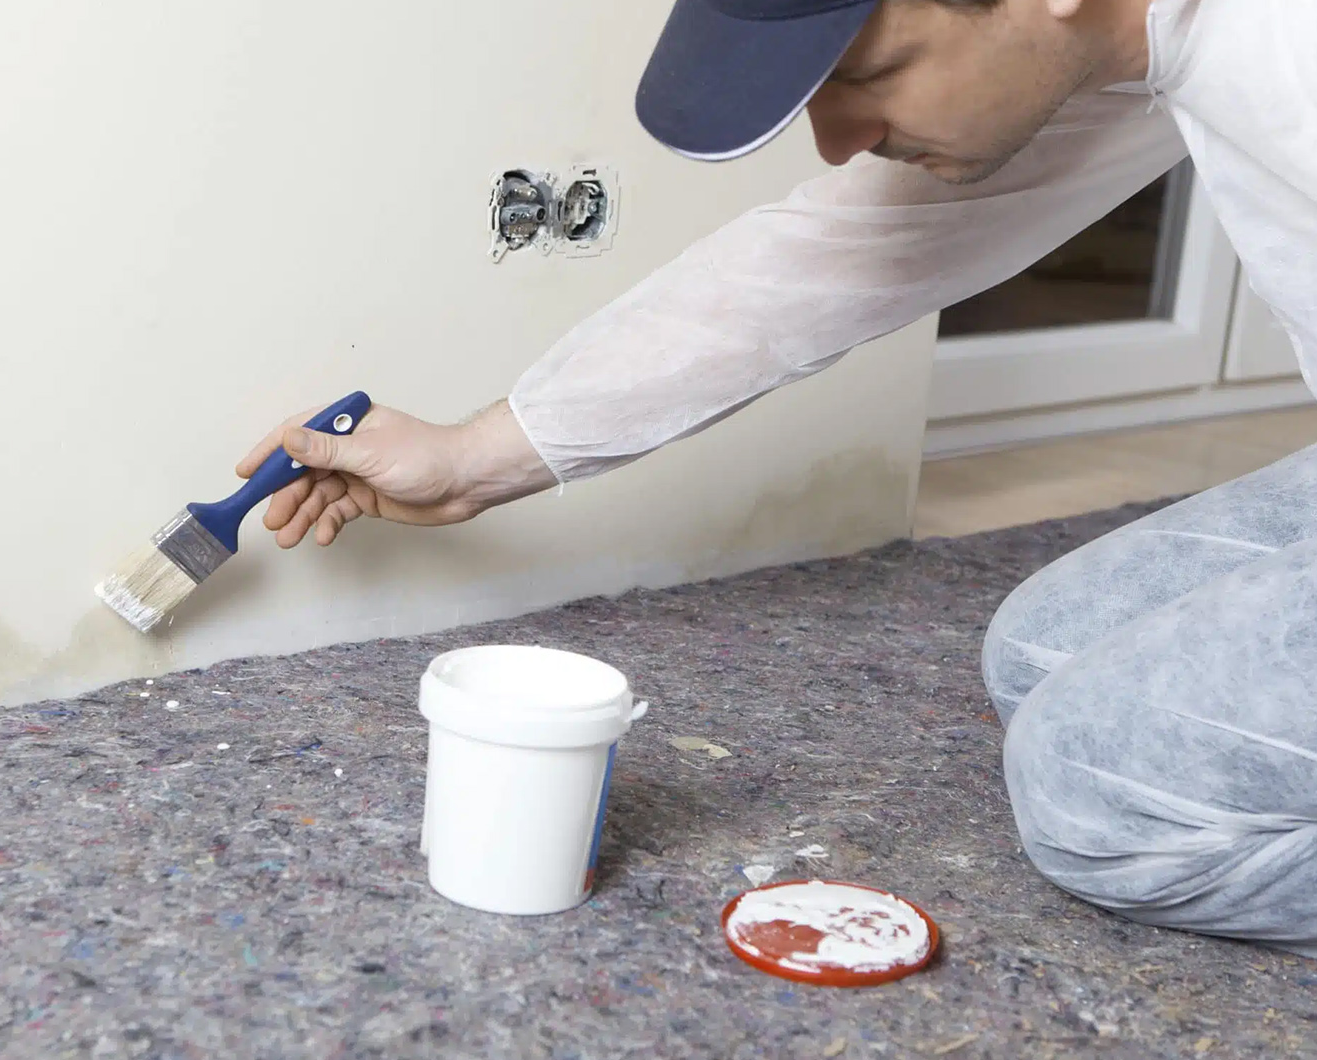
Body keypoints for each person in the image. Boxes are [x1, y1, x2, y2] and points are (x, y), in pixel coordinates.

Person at [236, 0, 1317, 956]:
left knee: (1099, 799)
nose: (841, 141)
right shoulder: (1137, 36)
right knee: (1041, 659)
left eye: (866, 73)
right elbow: (847, 255)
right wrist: (473, 460)